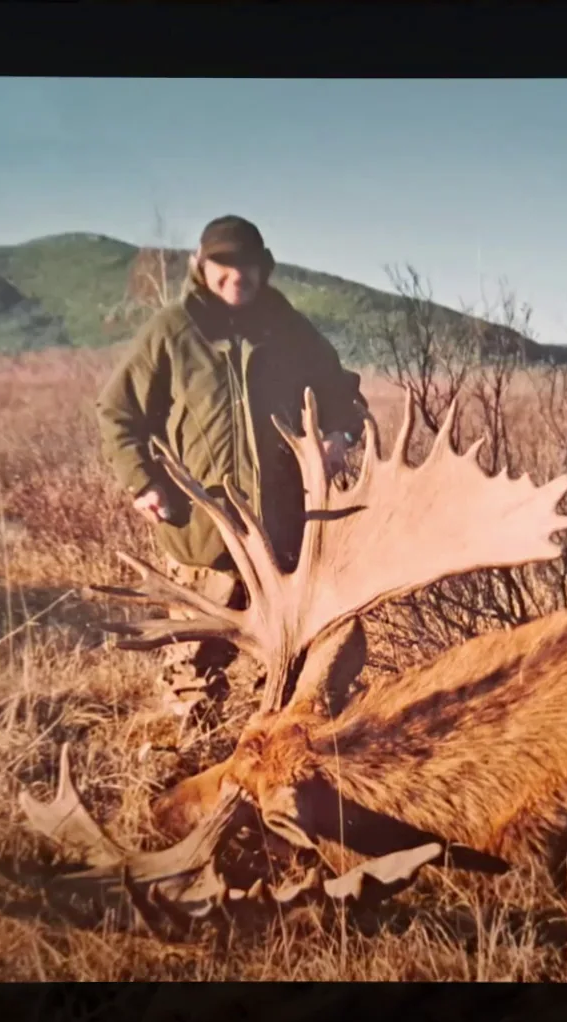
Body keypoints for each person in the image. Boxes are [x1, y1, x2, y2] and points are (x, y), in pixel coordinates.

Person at [96, 215, 369, 721]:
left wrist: (339, 435)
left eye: (245, 264)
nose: (235, 275)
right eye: (222, 264)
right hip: (204, 541)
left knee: (296, 673)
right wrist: (143, 482)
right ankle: (187, 760)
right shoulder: (172, 333)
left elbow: (342, 392)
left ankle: (289, 772)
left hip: (286, 536)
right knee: (191, 674)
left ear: (263, 268)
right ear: (202, 266)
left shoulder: (290, 330)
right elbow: (118, 412)